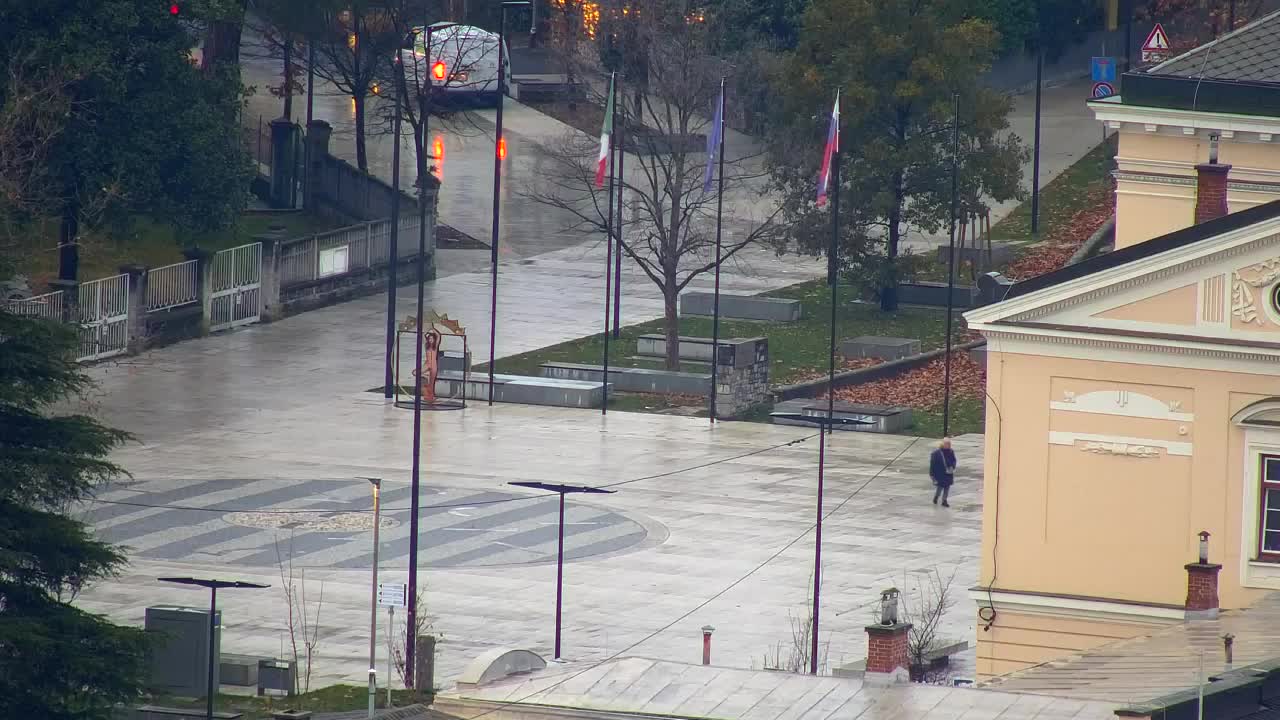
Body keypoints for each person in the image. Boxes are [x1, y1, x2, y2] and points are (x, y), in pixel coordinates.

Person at [930, 437, 957, 507]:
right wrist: (932, 474)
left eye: (949, 444)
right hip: (940, 473)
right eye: (947, 444)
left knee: (947, 487)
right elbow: (933, 464)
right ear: (943, 444)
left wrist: (952, 466)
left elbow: (954, 460)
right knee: (940, 487)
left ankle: (944, 500)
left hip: (948, 473)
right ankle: (936, 496)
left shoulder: (951, 451)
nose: (948, 445)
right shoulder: (936, 453)